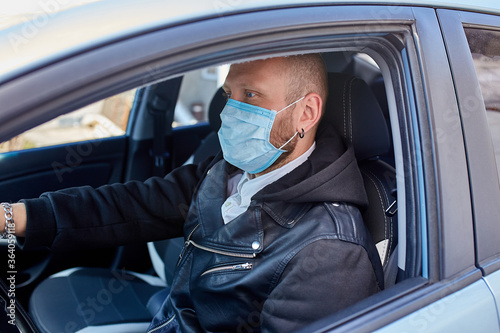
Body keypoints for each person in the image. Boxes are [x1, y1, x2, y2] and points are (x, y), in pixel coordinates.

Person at [0, 54, 383, 332]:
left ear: (306, 113)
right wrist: (13, 218)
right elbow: (134, 205)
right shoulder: (231, 168)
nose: (229, 111)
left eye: (251, 96)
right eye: (228, 93)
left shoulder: (329, 252)